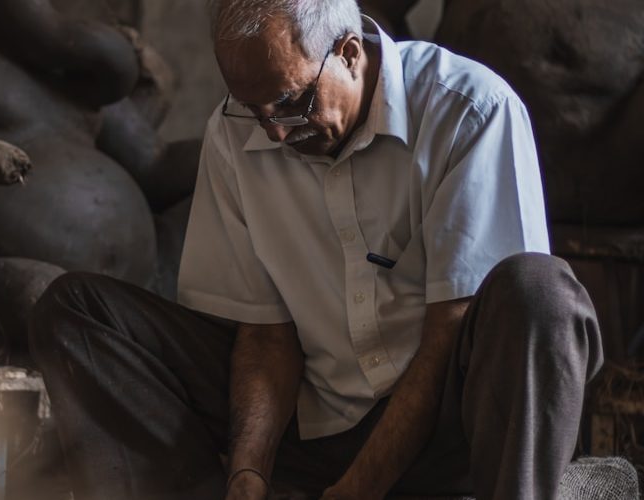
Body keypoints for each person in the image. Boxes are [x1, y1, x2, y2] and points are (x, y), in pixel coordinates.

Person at [29, 0, 604, 498]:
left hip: (457, 428)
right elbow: (263, 331)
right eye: (251, 108)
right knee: (77, 310)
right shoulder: (237, 133)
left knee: (539, 293)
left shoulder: (469, 108)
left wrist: (357, 492)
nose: (274, 132)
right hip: (320, 425)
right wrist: (249, 471)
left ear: (350, 52)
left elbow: (446, 334)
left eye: (290, 103)